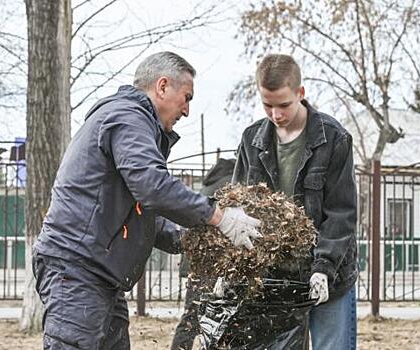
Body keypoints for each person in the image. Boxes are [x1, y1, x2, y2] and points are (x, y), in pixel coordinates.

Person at [32, 51, 261, 350]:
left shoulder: (133, 123)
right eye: (187, 97)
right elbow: (152, 186)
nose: (188, 110)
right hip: (77, 270)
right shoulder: (127, 116)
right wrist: (218, 216)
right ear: (162, 86)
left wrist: (198, 239)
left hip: (99, 274)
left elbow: (141, 212)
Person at [232, 54, 358, 350]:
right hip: (276, 278)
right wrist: (232, 270)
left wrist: (323, 268)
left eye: (284, 104)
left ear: (300, 93)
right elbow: (238, 209)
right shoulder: (252, 140)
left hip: (331, 276)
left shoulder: (334, 138)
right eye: (268, 105)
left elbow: (342, 213)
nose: (275, 114)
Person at [170, 157, 236, 350]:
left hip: (196, 262)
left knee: (191, 316)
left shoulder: (207, 187)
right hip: (213, 263)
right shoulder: (229, 186)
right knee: (216, 317)